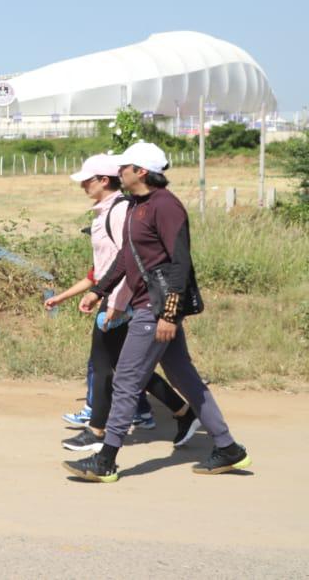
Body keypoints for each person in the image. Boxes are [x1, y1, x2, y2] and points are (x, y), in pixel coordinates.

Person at [64, 142, 251, 483]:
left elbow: (180, 264)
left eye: (125, 167)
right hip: (147, 305)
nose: (119, 172)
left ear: (141, 172)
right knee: (184, 378)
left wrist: (168, 314)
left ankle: (106, 460)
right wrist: (98, 291)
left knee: (126, 379)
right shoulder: (137, 205)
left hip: (157, 308)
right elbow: (126, 259)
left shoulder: (166, 207)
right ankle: (227, 448)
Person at [44, 155, 198, 455]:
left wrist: (116, 303)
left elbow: (130, 262)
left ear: (104, 180)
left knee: (107, 367)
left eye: (87, 180)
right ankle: (182, 411)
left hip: (124, 302)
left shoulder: (119, 211)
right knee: (121, 367)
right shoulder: (106, 212)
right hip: (113, 298)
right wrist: (76, 294)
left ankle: (98, 431)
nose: (83, 186)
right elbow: (101, 268)